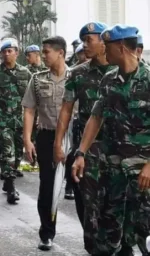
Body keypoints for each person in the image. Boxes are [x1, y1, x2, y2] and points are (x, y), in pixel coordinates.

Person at [72, 25, 150, 256]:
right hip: (113, 169)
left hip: (143, 174)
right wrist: (81, 153)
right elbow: (95, 118)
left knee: (142, 230)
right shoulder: (109, 80)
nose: (104, 51)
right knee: (110, 230)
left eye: (107, 47)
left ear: (121, 47)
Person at [54, 22, 115, 254]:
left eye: (89, 39)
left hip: (120, 148)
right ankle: (93, 246)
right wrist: (58, 143)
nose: (85, 45)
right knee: (88, 203)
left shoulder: (121, 70)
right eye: (82, 40)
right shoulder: (78, 73)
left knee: (117, 204)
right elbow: (66, 109)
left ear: (103, 40)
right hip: (87, 149)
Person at [22, 36, 70, 251]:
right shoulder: (38, 78)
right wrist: (27, 140)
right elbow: (30, 110)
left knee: (81, 188)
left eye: (47, 51)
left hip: (73, 138)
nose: (43, 55)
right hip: (46, 137)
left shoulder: (76, 77)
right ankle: (46, 233)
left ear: (60, 52)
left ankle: (93, 236)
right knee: (47, 186)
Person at [0, 38, 31, 204]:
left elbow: (32, 100)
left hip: (19, 120)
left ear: (17, 53)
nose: (7, 54)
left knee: (17, 155)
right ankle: (11, 187)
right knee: (7, 152)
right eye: (4, 52)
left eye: (10, 51)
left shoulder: (26, 73)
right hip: (0, 120)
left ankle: (8, 179)